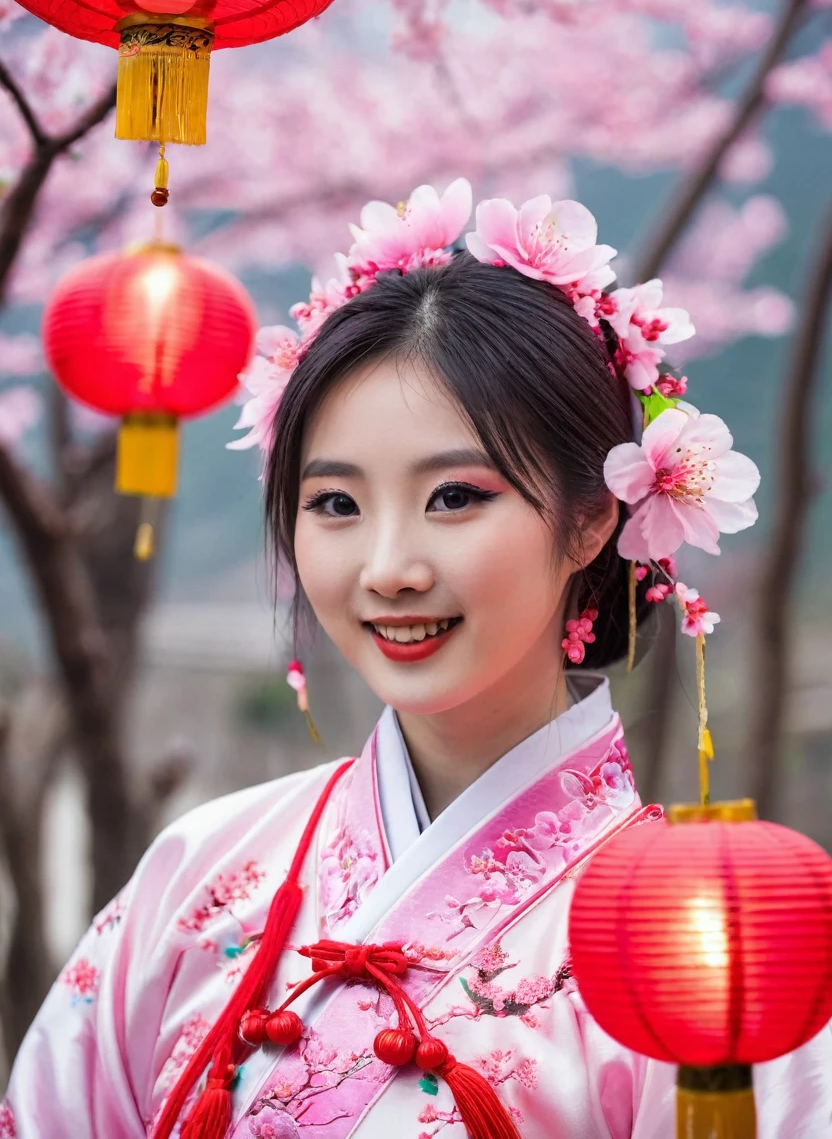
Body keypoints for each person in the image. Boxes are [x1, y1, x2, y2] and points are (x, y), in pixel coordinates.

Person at [3, 180, 829, 1139]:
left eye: (454, 498)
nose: (389, 570)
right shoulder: (204, 869)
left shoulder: (692, 948)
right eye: (337, 506)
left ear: (594, 516)